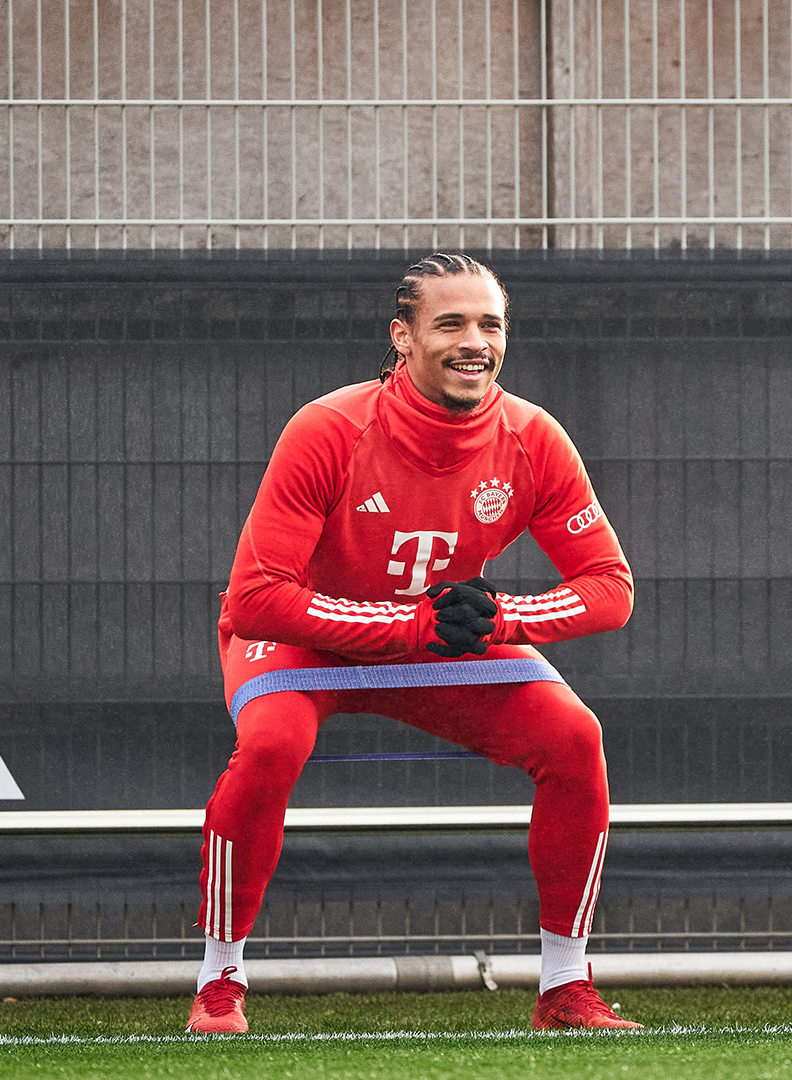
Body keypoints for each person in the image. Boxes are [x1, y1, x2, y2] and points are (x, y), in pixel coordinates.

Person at [187, 253, 640, 1033]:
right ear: (402, 337)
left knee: (575, 738)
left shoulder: (532, 436)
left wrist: (506, 619)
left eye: (490, 323)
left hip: (432, 643)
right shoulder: (329, 428)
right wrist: (409, 626)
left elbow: (611, 588)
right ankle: (219, 980)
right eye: (451, 323)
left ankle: (566, 987)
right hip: (305, 642)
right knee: (269, 748)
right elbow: (258, 601)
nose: (475, 341)